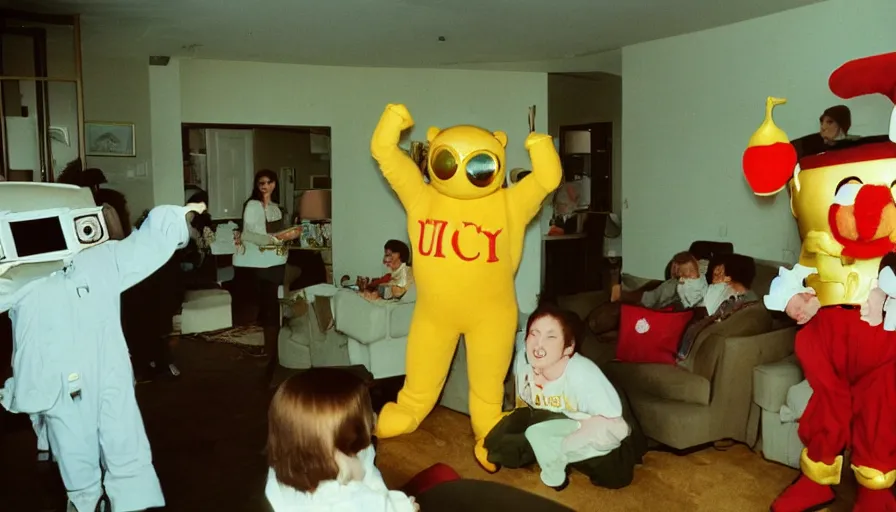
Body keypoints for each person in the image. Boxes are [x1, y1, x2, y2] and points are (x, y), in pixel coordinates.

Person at [0, 180, 206, 512]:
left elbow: (143, 248)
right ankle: (86, 501)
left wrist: (176, 218)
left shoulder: (102, 259)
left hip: (106, 362)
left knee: (122, 430)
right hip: (58, 371)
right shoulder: (20, 275)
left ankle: (129, 499)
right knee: (74, 439)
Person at [485, 304, 646, 490]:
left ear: (569, 348)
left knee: (612, 475)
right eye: (534, 334)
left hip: (598, 429)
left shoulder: (583, 377)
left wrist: (566, 447)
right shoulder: (524, 361)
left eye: (550, 337)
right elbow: (530, 406)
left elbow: (614, 428)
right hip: (558, 417)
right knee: (501, 442)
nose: (538, 344)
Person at [265, 368, 423, 511]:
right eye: (368, 413)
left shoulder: (286, 465)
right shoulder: (350, 503)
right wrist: (404, 506)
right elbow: (375, 503)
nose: (374, 417)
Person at [233, 169, 301, 378]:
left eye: (269, 182)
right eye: (261, 182)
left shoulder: (275, 208)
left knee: (271, 302)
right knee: (268, 304)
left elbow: (273, 233)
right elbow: (253, 235)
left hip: (275, 260)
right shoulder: (253, 206)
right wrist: (277, 238)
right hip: (258, 263)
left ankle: (273, 348)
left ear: (274, 184)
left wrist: (287, 234)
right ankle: (271, 351)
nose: (265, 186)